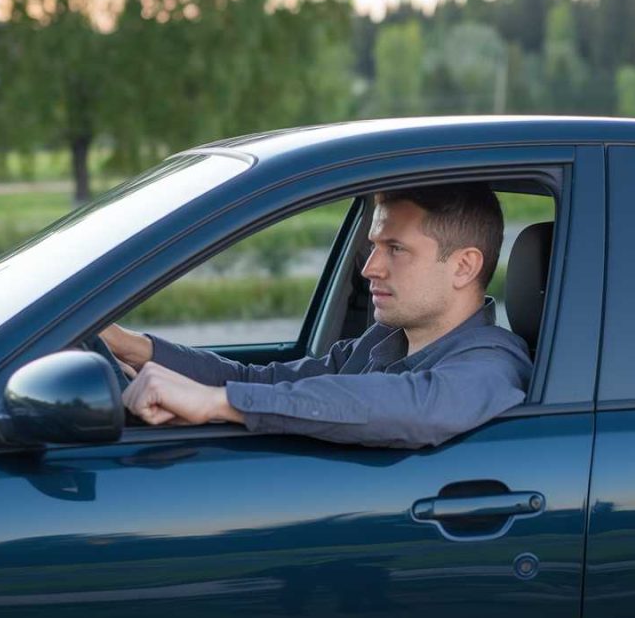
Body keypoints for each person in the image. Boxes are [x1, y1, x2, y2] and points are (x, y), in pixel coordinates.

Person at [100, 183, 532, 449]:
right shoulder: (380, 344)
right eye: (374, 246)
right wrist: (135, 347)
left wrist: (220, 403)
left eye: (396, 249)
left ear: (464, 267)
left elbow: (415, 407)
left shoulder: (494, 363)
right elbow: (267, 383)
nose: (369, 268)